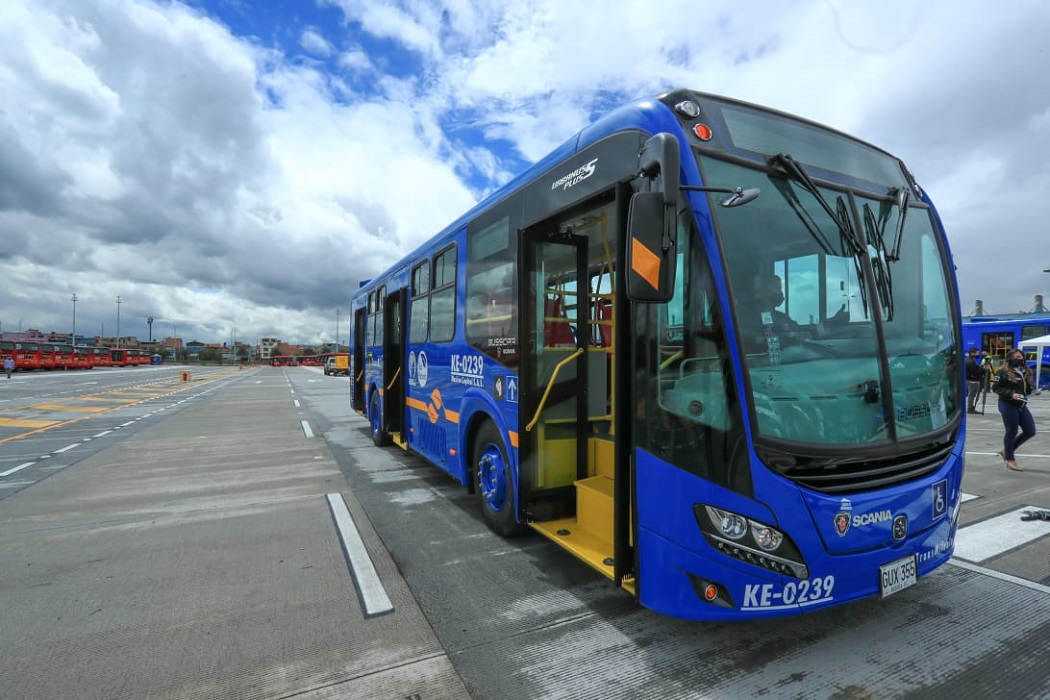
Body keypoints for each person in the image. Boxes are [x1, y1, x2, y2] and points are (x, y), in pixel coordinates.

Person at [991, 348, 1036, 472]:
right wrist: (1010, 394)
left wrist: (1033, 390)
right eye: (1015, 356)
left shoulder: (1025, 372)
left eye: (1020, 357)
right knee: (1012, 431)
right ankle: (1010, 459)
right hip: (1007, 404)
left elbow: (1025, 390)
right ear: (1009, 358)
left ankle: (1007, 451)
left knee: (1030, 430)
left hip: (1021, 404)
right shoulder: (1002, 372)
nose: (1018, 359)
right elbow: (995, 388)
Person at [965, 347, 983, 413]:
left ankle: (970, 407)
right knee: (971, 395)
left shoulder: (967, 360)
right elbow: (976, 372)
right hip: (972, 381)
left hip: (969, 380)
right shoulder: (971, 362)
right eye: (977, 353)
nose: (978, 354)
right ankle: (970, 408)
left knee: (970, 394)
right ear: (972, 353)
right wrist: (982, 369)